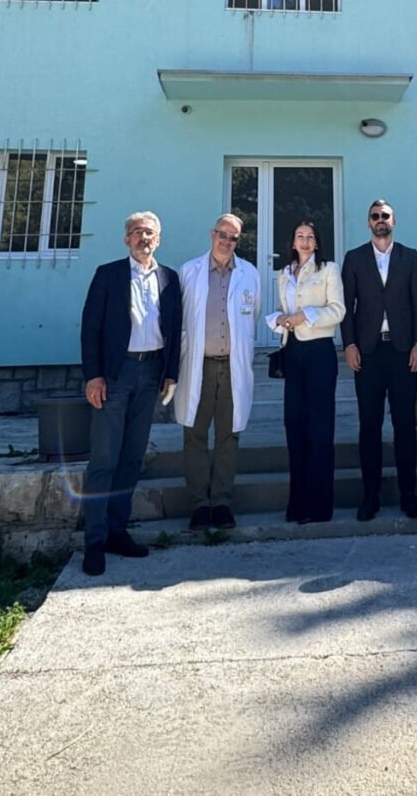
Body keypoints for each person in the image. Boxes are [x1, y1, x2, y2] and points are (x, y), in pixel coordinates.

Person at [79, 211, 181, 577]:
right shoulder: (108, 275)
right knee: (104, 458)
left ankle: (117, 531)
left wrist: (171, 373)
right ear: (126, 239)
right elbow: (90, 327)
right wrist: (94, 376)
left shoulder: (169, 278)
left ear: (159, 239)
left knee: (132, 457)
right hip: (116, 374)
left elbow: (175, 328)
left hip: (151, 372)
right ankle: (94, 541)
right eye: (137, 232)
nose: (143, 237)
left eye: (149, 232)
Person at [341, 199, 417, 521]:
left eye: (386, 216)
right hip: (368, 353)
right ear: (368, 222)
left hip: (403, 352)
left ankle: (409, 495)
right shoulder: (354, 258)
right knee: (369, 426)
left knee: (405, 425)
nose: (381, 220)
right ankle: (371, 496)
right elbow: (346, 307)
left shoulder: (410, 257)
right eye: (375, 216)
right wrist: (349, 344)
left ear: (394, 221)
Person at [174, 214, 260, 531]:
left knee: (229, 434)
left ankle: (221, 502)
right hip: (200, 364)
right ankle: (200, 504)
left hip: (233, 366)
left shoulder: (249, 274)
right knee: (195, 434)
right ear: (213, 234)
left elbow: (252, 315)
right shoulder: (189, 272)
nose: (227, 241)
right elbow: (180, 318)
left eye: (233, 238)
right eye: (223, 234)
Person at [266, 221, 346, 524]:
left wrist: (305, 316)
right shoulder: (284, 273)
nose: (305, 241)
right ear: (292, 242)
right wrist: (280, 319)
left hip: (320, 352)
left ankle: (320, 505)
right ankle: (297, 502)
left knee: (319, 428)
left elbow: (338, 310)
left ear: (317, 242)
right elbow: (281, 308)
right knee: (294, 424)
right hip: (293, 352)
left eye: (310, 237)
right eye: (299, 236)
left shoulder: (328, 270)